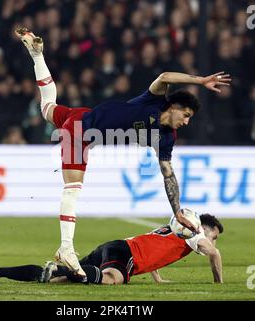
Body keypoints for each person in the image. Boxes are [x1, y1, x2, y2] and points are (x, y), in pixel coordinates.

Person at [14, 28, 231, 278]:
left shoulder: (166, 137)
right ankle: (66, 248)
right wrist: (200, 80)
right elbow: (165, 76)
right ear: (174, 107)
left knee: (46, 107)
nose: (186, 122)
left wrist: (177, 211)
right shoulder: (154, 101)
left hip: (82, 115)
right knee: (73, 188)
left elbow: (168, 174)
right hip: (79, 132)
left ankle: (37, 55)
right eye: (186, 115)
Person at [0, 213, 223, 285]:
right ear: (207, 227)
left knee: (54, 278)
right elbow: (214, 254)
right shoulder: (196, 233)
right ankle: (65, 270)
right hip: (124, 254)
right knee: (113, 279)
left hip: (115, 247)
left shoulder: (176, 232)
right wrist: (218, 283)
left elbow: (153, 249)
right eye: (215, 235)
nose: (214, 241)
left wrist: (157, 276)